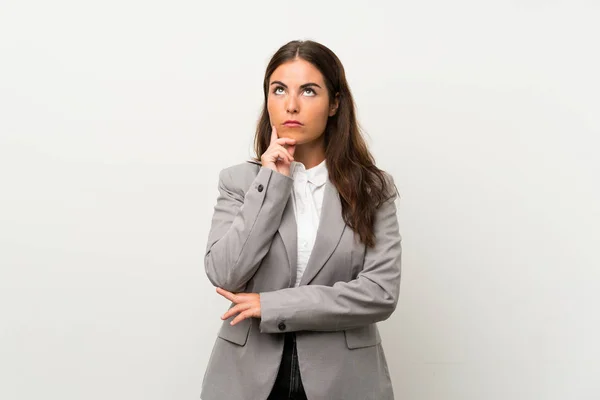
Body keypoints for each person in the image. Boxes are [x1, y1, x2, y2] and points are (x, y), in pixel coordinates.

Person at [200, 39, 402, 400]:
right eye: (279, 90)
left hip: (344, 378)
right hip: (248, 377)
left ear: (334, 103)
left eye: (309, 91)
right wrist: (272, 182)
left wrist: (272, 305)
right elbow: (225, 273)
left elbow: (380, 293)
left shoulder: (372, 188)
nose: (291, 105)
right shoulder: (239, 182)